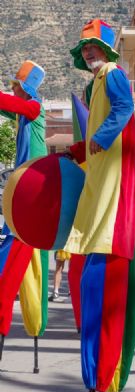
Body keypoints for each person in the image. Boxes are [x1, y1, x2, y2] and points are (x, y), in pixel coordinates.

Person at [64, 19, 135, 392]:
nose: (89, 53)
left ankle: (104, 375)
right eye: (85, 49)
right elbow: (97, 130)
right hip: (99, 187)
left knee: (102, 284)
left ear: (109, 51)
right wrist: (80, 150)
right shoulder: (92, 84)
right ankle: (94, 374)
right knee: (85, 281)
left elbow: (125, 108)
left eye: (94, 47)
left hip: (115, 198)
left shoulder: (113, 75)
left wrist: (103, 136)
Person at [0, 60, 49, 354]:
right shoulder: (23, 110)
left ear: (25, 88)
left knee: (19, 242)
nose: (12, 89)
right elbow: (5, 106)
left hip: (34, 177)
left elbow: (8, 104)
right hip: (25, 178)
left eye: (16, 85)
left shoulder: (34, 107)